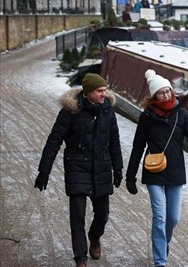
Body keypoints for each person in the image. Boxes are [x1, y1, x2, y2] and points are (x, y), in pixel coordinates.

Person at [125, 69, 188, 267]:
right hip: (153, 171)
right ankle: (160, 261)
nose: (165, 95)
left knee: (173, 217)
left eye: (167, 91)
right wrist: (130, 175)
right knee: (159, 216)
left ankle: (164, 242)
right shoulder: (147, 117)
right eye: (161, 93)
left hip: (175, 171)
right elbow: (138, 146)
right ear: (154, 96)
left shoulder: (181, 114)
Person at [34, 73, 123, 267]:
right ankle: (80, 258)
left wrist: (118, 168)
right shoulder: (70, 112)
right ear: (88, 92)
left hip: (101, 166)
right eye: (99, 91)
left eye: (105, 90)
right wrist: (44, 171)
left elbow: (114, 140)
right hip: (77, 167)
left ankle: (95, 236)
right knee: (77, 216)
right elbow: (54, 141)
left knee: (102, 214)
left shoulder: (107, 109)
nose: (104, 94)